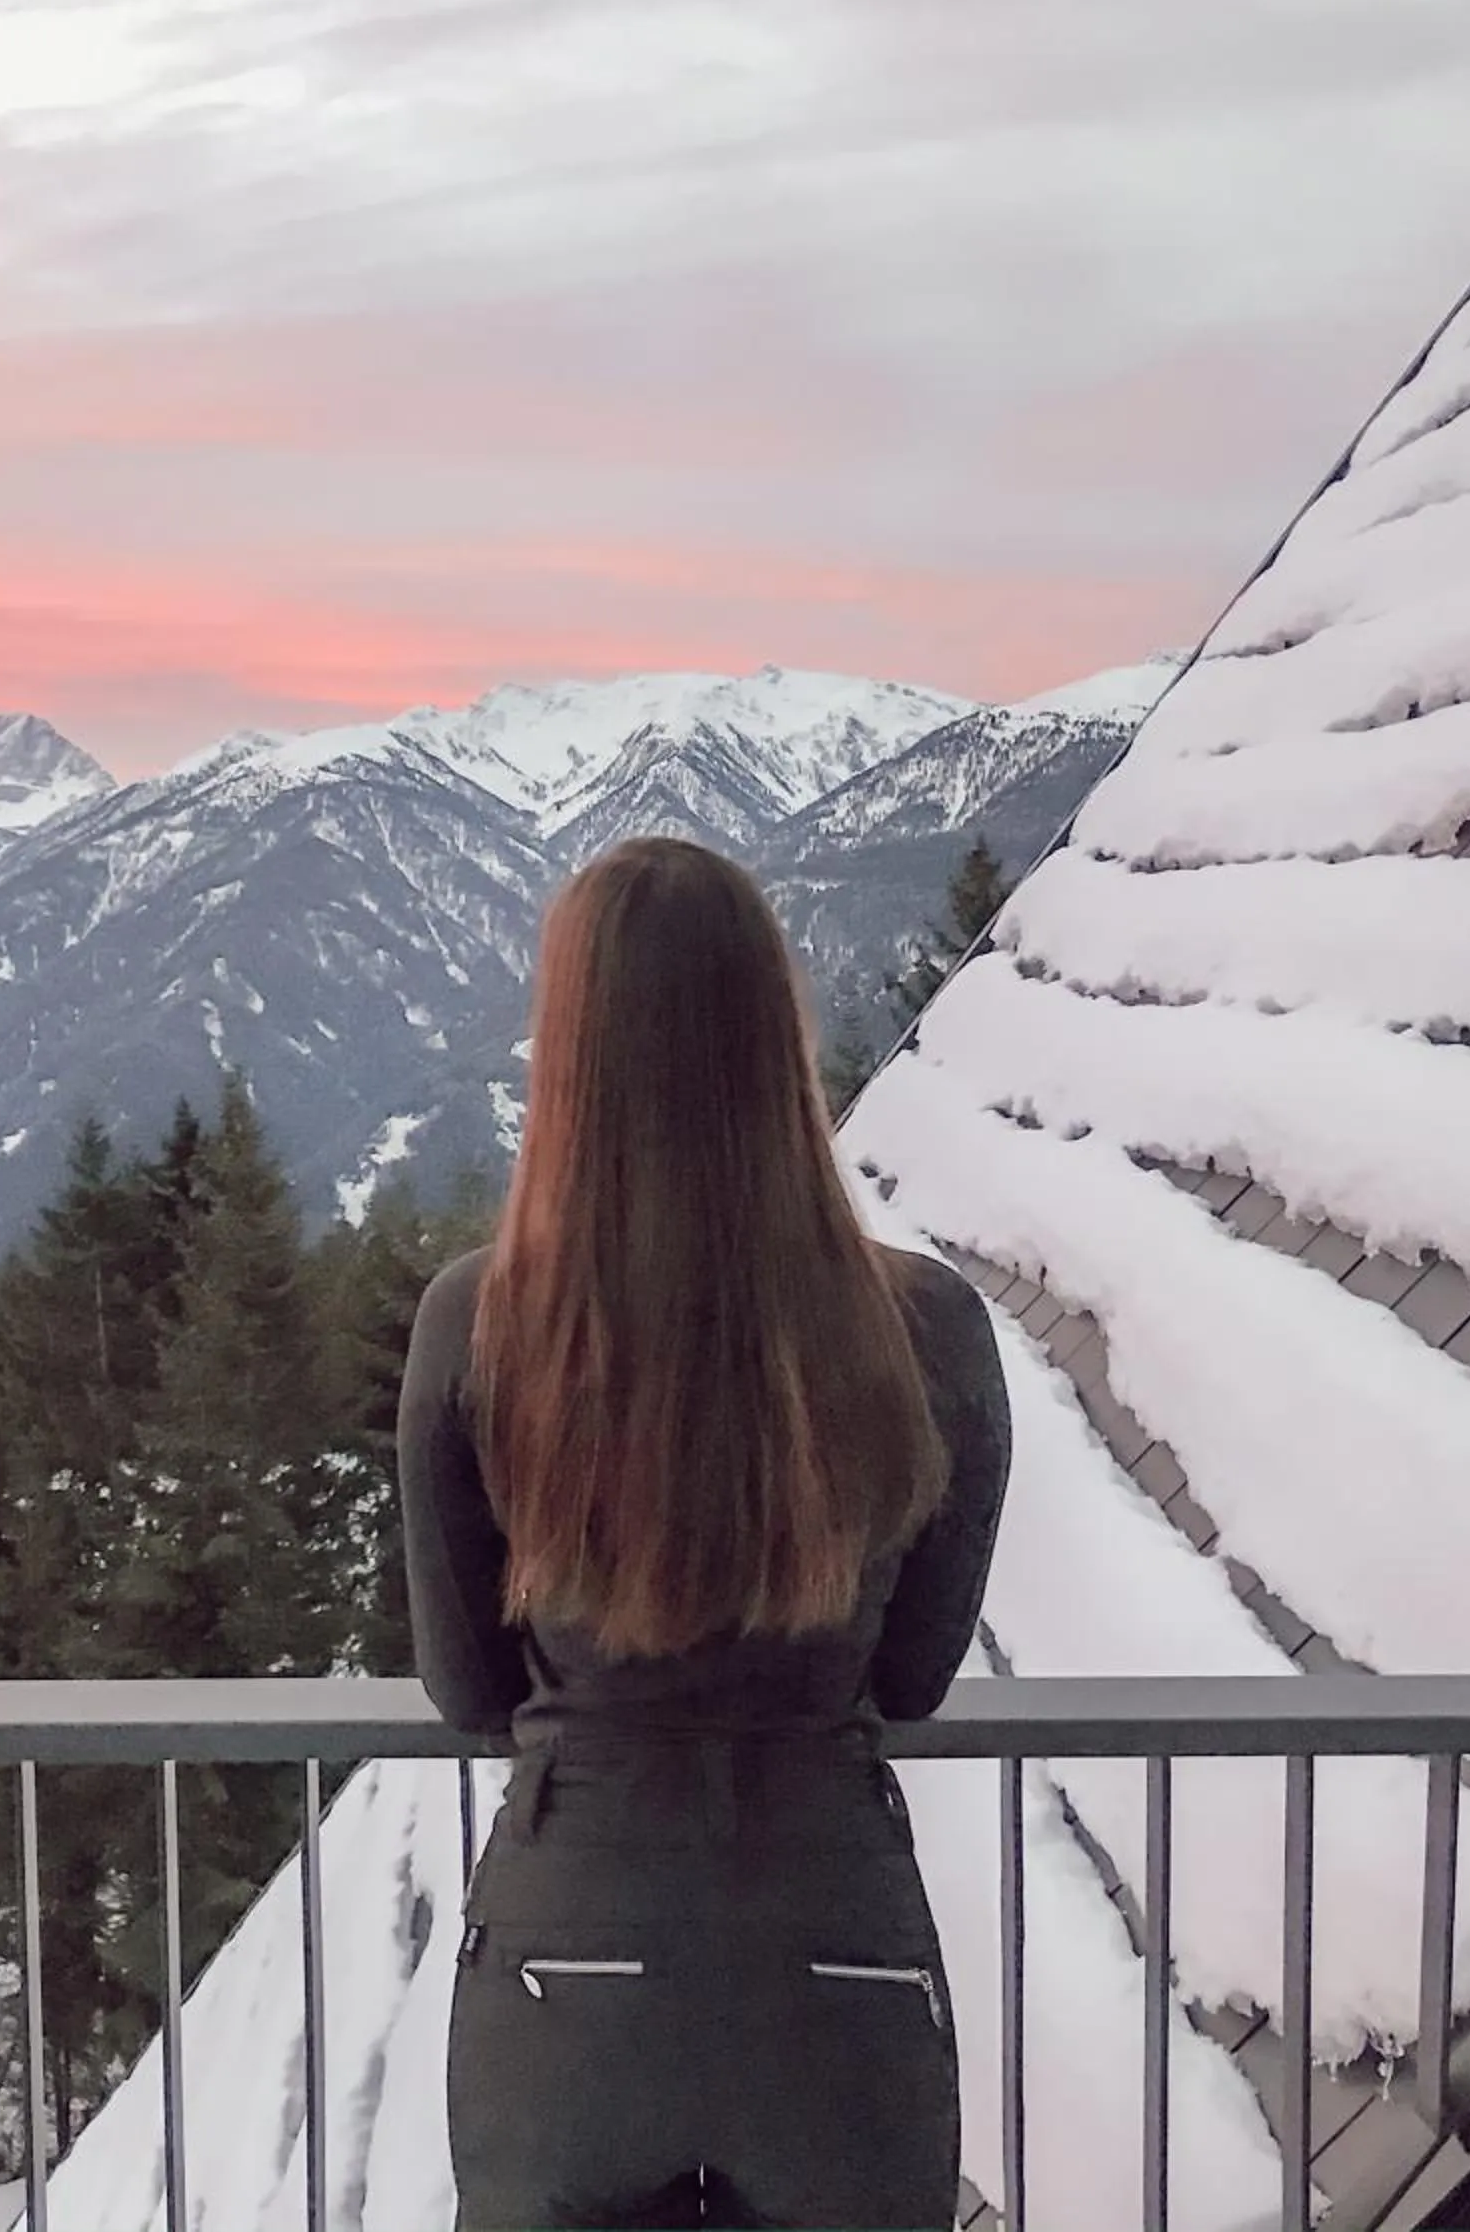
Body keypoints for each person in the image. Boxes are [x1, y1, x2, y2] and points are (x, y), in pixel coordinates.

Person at [398, 835, 1012, 2230]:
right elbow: (910, 1675)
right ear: (774, 1038)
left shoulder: (479, 1323)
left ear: (569, 1053)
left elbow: (467, 1687)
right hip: (829, 1938)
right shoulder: (923, 1327)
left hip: (571, 1954)